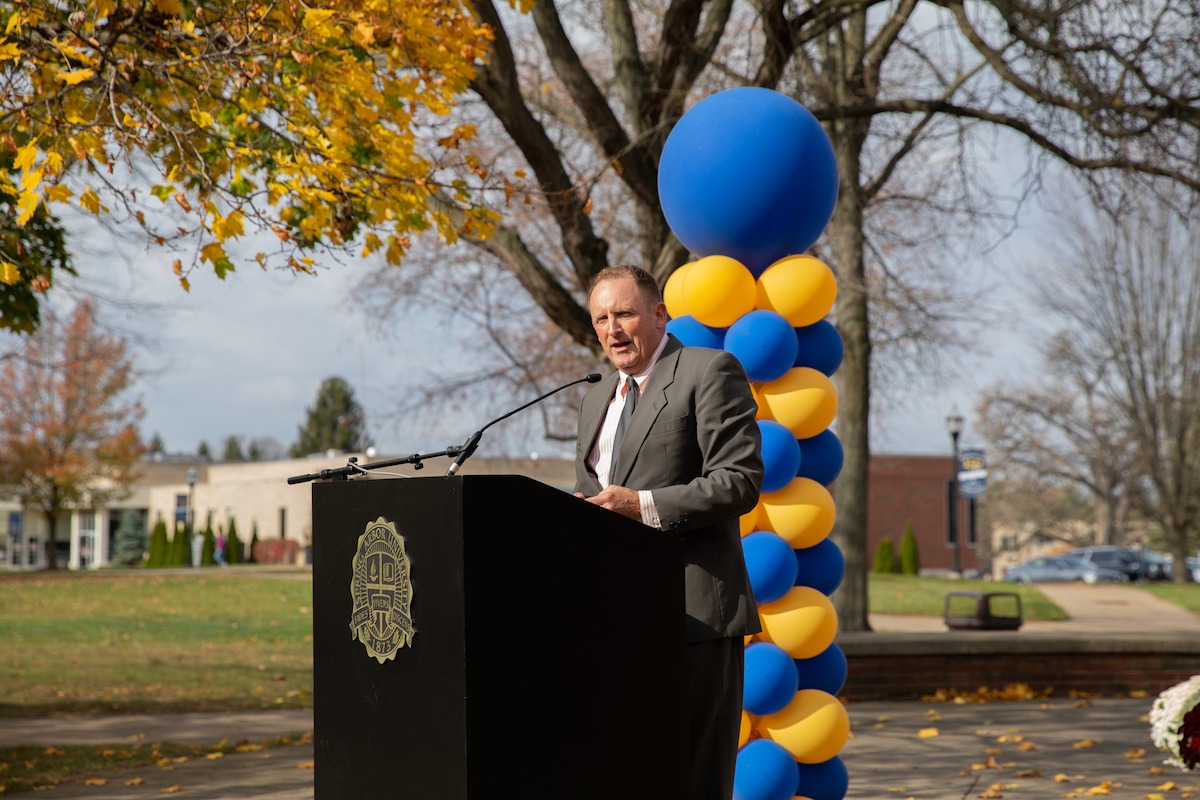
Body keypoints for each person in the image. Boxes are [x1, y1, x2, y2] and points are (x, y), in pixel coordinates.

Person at [573, 264, 763, 800]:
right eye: (601, 318)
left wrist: (642, 505)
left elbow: (739, 482)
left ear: (659, 315)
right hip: (615, 617)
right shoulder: (594, 397)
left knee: (693, 781)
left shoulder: (709, 371)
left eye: (625, 314)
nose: (613, 330)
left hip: (695, 614)